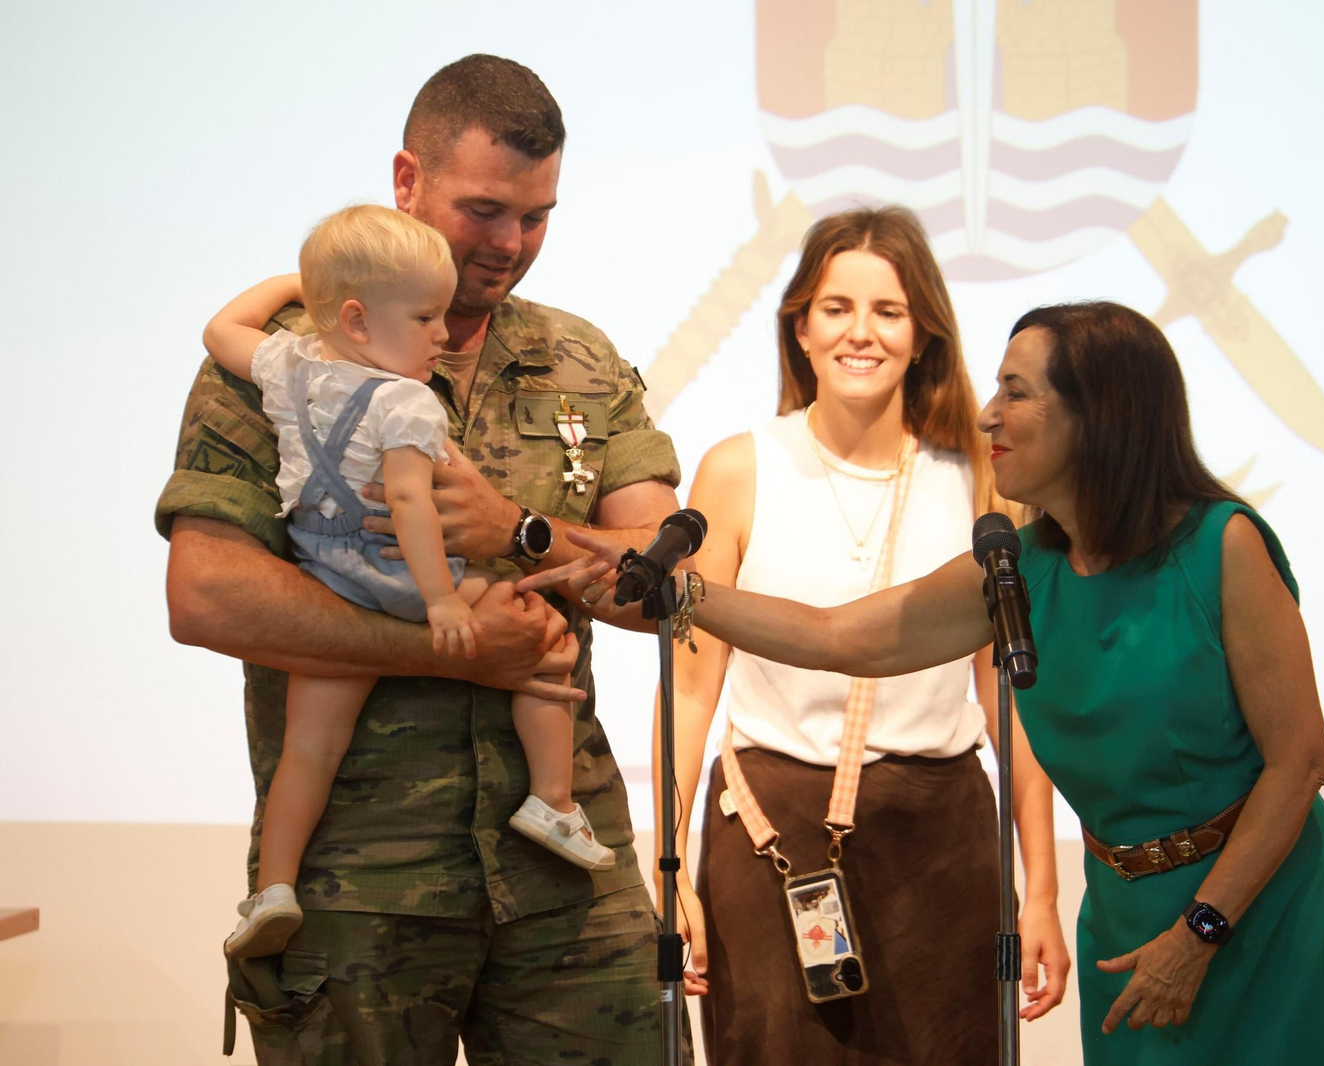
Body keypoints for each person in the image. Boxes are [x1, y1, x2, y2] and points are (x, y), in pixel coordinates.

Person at [555, 301, 1324, 1064]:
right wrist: (681, 589)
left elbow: (1299, 763)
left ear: (1099, 417)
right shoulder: (1019, 566)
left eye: (1017, 391)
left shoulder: (1222, 548)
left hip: (1261, 913)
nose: (987, 413)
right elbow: (834, 635)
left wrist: (1201, 931)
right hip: (1127, 913)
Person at [159, 55, 683, 1064]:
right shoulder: (291, 364)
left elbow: (664, 588)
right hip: (359, 881)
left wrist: (518, 532)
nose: (511, 245)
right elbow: (206, 593)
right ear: (406, 179)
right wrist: (455, 649)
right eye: (485, 209)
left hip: (568, 878)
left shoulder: (581, 359)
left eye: (537, 216)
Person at [648, 207, 1067, 1064]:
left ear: (924, 335)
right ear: (800, 325)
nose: (860, 333)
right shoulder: (739, 467)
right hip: (769, 835)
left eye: (889, 311)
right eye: (836, 308)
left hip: (940, 836)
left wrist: (1044, 892)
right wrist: (665, 874)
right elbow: (691, 690)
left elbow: (1014, 706)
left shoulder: (982, 480)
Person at [204, 206, 618, 959]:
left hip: (327, 582)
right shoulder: (407, 401)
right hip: (395, 578)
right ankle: (554, 801)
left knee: (308, 747)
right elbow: (410, 504)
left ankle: (273, 887)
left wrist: (303, 286)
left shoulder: (291, 364)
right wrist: (439, 601)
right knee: (539, 637)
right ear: (359, 320)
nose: (439, 333)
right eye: (425, 316)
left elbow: (223, 329)